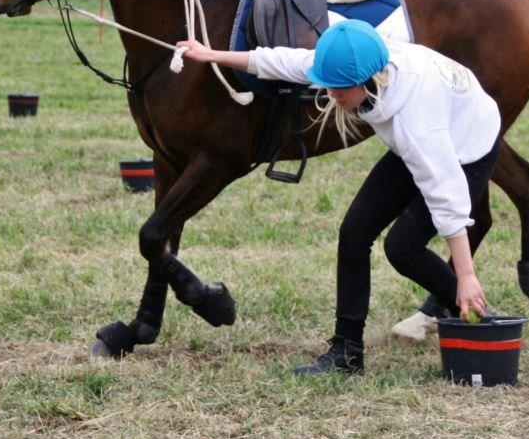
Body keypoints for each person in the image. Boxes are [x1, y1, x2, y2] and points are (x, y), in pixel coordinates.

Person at [177, 19, 501, 375]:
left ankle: (476, 312)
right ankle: (346, 353)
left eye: (340, 89)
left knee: (402, 247)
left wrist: (466, 274)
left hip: (467, 145)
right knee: (354, 233)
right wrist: (211, 55)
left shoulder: (417, 121)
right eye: (328, 86)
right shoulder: (354, 62)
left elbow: (446, 194)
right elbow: (282, 62)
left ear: (368, 80)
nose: (332, 95)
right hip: (428, 135)